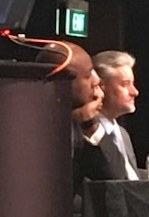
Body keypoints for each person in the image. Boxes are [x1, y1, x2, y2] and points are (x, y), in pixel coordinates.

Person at [36, 42, 126, 214]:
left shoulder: (82, 125)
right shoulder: (30, 124)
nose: (96, 80)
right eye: (87, 75)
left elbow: (116, 175)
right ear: (62, 80)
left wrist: (89, 123)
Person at [93, 50, 143, 180]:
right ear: (100, 86)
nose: (135, 92)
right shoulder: (86, 134)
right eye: (125, 84)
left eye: (133, 84)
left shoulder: (123, 134)